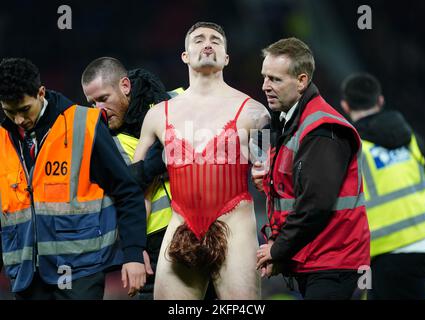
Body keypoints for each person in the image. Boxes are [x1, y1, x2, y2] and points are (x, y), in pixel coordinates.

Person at [133, 21, 270, 299]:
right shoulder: (158, 115)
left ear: (226, 58)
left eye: (216, 40)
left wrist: (277, 239)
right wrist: (134, 250)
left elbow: (272, 183)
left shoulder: (255, 112)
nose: (207, 43)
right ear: (185, 56)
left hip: (237, 229)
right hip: (180, 226)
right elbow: (136, 188)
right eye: (198, 40)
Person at [0, 58, 151, 299]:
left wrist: (133, 254)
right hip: (26, 277)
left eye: (24, 109)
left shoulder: (84, 124)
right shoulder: (2, 139)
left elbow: (126, 190)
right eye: (9, 111)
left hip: (81, 271)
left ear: (41, 93)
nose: (18, 120)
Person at [254, 38, 370, 300]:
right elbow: (291, 195)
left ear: (302, 81)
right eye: (264, 77)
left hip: (333, 260)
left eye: (275, 79)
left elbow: (315, 203)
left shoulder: (321, 128)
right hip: (317, 257)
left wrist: (277, 249)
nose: (265, 87)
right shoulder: (291, 122)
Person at [81, 57, 181, 300]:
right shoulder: (101, 142)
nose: (98, 110)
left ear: (125, 86)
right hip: (152, 246)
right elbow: (119, 202)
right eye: (92, 103)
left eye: (103, 99)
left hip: (200, 229)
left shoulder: (178, 103)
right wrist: (135, 248)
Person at [341, 73, 425, 300]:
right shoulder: (412, 138)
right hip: (421, 246)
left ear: (345, 106)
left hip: (382, 251)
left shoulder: (352, 148)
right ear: (380, 101)